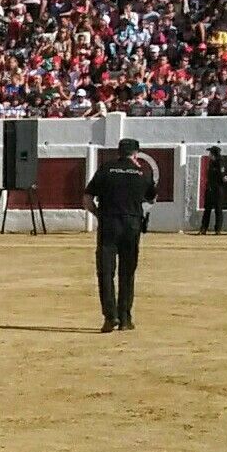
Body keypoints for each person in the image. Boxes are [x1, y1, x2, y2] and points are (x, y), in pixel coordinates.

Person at [85, 139, 157, 332]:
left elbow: (87, 199)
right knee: (127, 272)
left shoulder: (107, 169)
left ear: (119, 152)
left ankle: (110, 317)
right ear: (136, 153)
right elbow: (151, 197)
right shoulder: (144, 171)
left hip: (109, 223)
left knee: (106, 271)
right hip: (132, 224)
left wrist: (99, 215)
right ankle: (125, 318)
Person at [199, 145, 227, 235]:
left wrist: (224, 178)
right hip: (210, 188)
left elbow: (223, 176)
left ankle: (217, 229)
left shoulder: (220, 162)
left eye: (210, 153)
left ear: (214, 154)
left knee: (218, 209)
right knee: (207, 209)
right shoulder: (211, 162)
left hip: (218, 188)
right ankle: (204, 228)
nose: (209, 155)